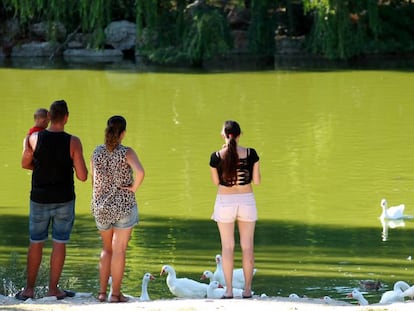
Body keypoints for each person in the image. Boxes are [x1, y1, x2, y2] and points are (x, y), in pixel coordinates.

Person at [18, 100, 88, 300]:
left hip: (39, 197)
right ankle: (53, 290)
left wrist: (41, 167)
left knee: (36, 242)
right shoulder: (73, 141)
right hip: (64, 199)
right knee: (59, 242)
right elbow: (82, 176)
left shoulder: (34, 137)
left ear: (49, 117)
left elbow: (25, 163)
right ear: (66, 117)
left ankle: (29, 290)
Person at [90, 115, 145, 303]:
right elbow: (140, 172)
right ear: (123, 133)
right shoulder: (126, 152)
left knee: (107, 250)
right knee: (119, 251)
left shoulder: (96, 152)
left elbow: (94, 180)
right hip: (123, 206)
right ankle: (115, 295)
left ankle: (101, 293)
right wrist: (133, 188)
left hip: (102, 207)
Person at [209, 120, 261, 299]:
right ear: (240, 135)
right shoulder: (251, 153)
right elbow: (257, 180)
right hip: (246, 200)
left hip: (224, 201)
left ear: (224, 135)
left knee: (227, 247)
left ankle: (229, 290)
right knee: (247, 247)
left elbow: (216, 182)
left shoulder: (216, 156)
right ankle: (247, 290)